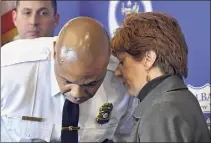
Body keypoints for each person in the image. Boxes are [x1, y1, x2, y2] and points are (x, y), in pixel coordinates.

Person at [1, 17, 137, 142]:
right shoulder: (8, 70)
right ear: (54, 52)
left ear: (108, 60)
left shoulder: (123, 79)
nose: (77, 94)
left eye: (91, 84)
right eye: (67, 81)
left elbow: (127, 138)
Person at [111, 12, 211, 142]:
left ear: (148, 59)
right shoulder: (177, 100)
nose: (117, 73)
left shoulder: (160, 111)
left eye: (122, 61)